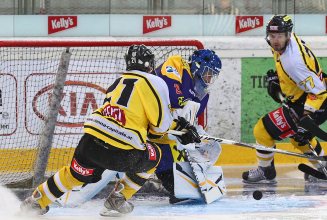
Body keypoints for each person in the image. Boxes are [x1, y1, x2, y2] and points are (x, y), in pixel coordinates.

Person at [20, 44, 201, 217]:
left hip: (90, 143)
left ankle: (35, 202)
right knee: (154, 155)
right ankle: (117, 199)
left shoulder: (117, 82)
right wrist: (181, 129)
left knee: (74, 175)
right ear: (149, 64)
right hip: (122, 151)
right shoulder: (155, 81)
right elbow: (160, 127)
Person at [242, 15, 327, 184]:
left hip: (315, 101)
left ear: (288, 34)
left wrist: (306, 118)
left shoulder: (293, 61)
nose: (275, 40)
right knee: (298, 139)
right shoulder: (285, 43)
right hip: (304, 96)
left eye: (279, 36)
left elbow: (319, 93)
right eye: (272, 36)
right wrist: (280, 82)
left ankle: (266, 171)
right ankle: (324, 167)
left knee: (262, 130)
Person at [152, 49, 222, 203]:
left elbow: (189, 118)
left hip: (164, 131)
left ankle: (181, 188)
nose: (209, 79)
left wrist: (196, 134)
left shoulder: (203, 94)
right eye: (209, 73)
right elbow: (172, 92)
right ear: (199, 66)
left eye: (212, 76)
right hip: (148, 119)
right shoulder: (177, 63)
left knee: (170, 162)